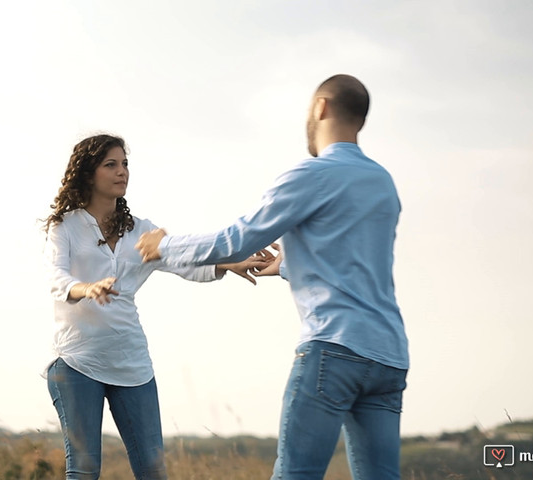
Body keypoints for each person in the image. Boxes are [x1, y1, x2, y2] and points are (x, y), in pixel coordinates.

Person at [135, 74, 409, 480]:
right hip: (388, 355)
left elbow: (235, 241)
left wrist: (165, 245)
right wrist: (292, 265)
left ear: (321, 108)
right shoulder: (383, 183)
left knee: (295, 473)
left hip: (333, 349)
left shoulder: (312, 174)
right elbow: (358, 264)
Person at [42, 133, 270, 480]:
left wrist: (227, 264)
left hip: (132, 364)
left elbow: (180, 261)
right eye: (111, 165)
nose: (122, 172)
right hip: (77, 362)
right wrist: (86, 288)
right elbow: (55, 277)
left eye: (125, 164)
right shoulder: (66, 226)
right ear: (89, 173)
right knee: (84, 470)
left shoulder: (140, 231)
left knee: (153, 471)